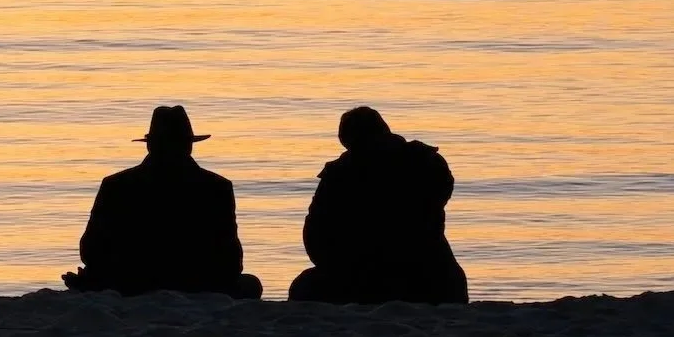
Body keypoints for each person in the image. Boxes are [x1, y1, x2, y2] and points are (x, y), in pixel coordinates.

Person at [63, 105, 263, 298]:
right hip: (196, 283)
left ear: (150, 144)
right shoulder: (217, 186)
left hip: (129, 282)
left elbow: (90, 250)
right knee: (251, 284)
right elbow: (231, 260)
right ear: (189, 145)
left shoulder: (116, 184)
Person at [287, 106, 468, 304]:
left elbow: (316, 234)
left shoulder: (341, 173)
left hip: (370, 277)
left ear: (348, 141)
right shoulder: (426, 161)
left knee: (304, 287)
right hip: (434, 275)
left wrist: (337, 264)